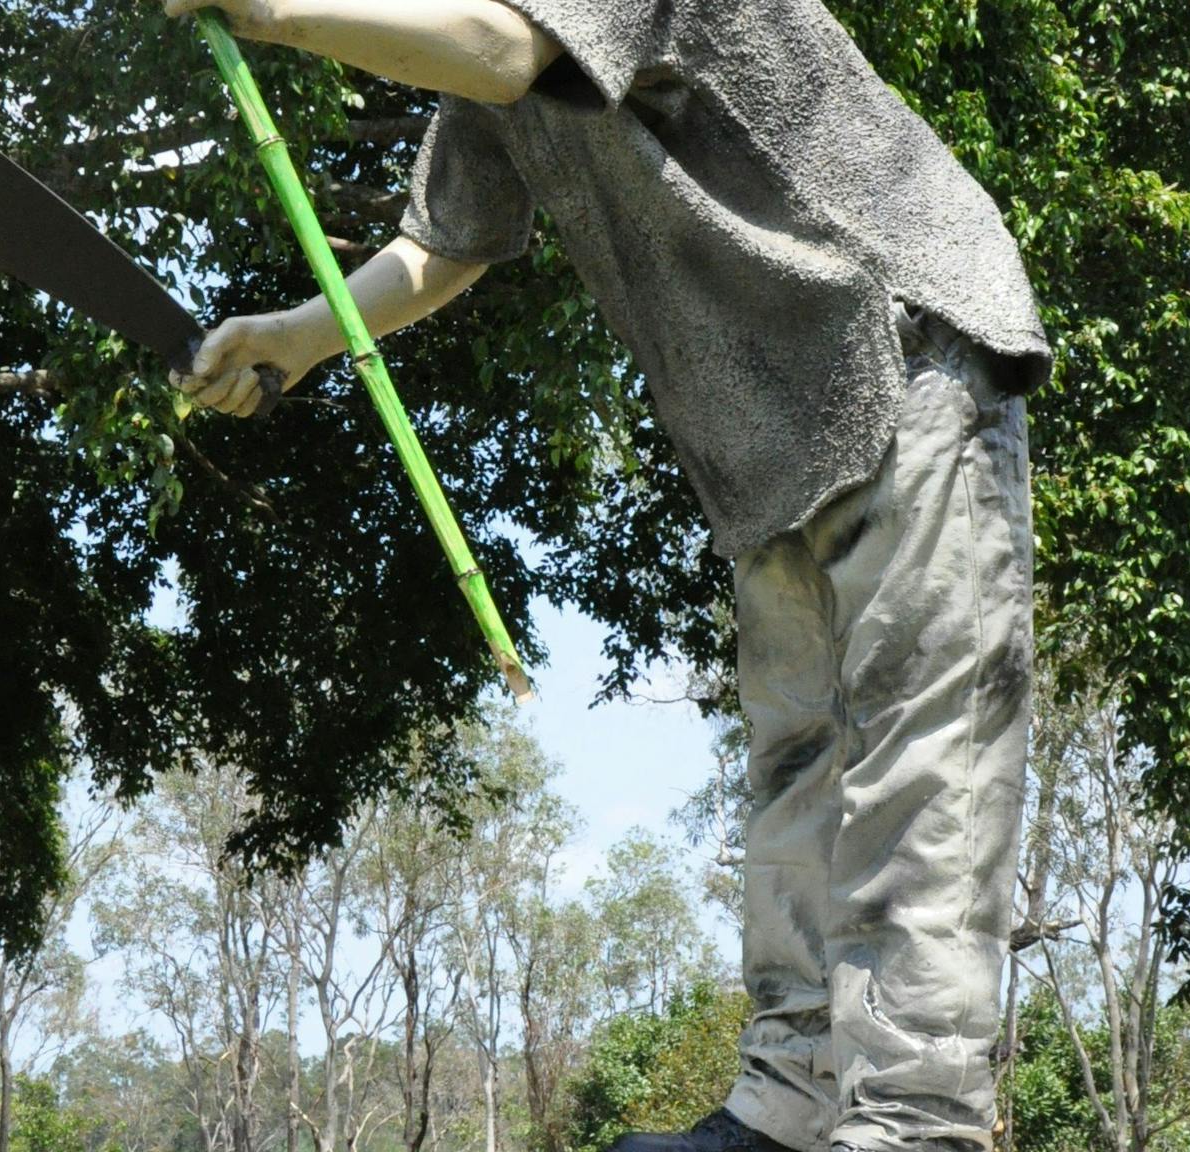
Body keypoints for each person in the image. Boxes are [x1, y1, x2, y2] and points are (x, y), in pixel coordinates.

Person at [159, 2, 1051, 1150]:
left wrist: (267, 9)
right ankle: (787, 1106)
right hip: (768, 430)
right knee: (797, 768)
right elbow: (449, 238)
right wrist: (299, 334)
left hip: (898, 342)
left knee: (917, 761)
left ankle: (916, 1119)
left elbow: (504, 52)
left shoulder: (511, 24)